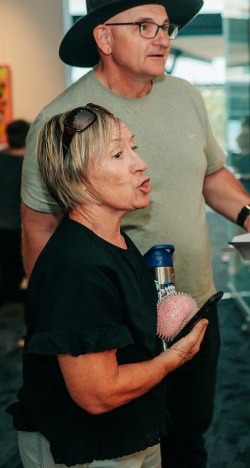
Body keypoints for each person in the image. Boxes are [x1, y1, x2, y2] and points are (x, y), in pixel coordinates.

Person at [20, 0, 250, 468]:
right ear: (103, 37)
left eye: (166, 27)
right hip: (116, 319)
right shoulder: (66, 122)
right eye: (145, 26)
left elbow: (210, 175)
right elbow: (39, 225)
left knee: (188, 434)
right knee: (125, 437)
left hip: (193, 300)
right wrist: (55, 324)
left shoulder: (184, 96)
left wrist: (248, 211)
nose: (162, 39)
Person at [8, 104, 207, 467]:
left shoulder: (115, 238)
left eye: (133, 147)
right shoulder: (77, 268)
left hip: (129, 435)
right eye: (118, 154)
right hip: (88, 448)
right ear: (78, 179)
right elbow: (98, 393)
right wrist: (174, 358)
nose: (139, 163)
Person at [0, 119, 30, 305]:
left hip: (2, 228)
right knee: (16, 274)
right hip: (18, 229)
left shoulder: (1, 158)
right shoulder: (29, 166)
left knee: (6, 273)